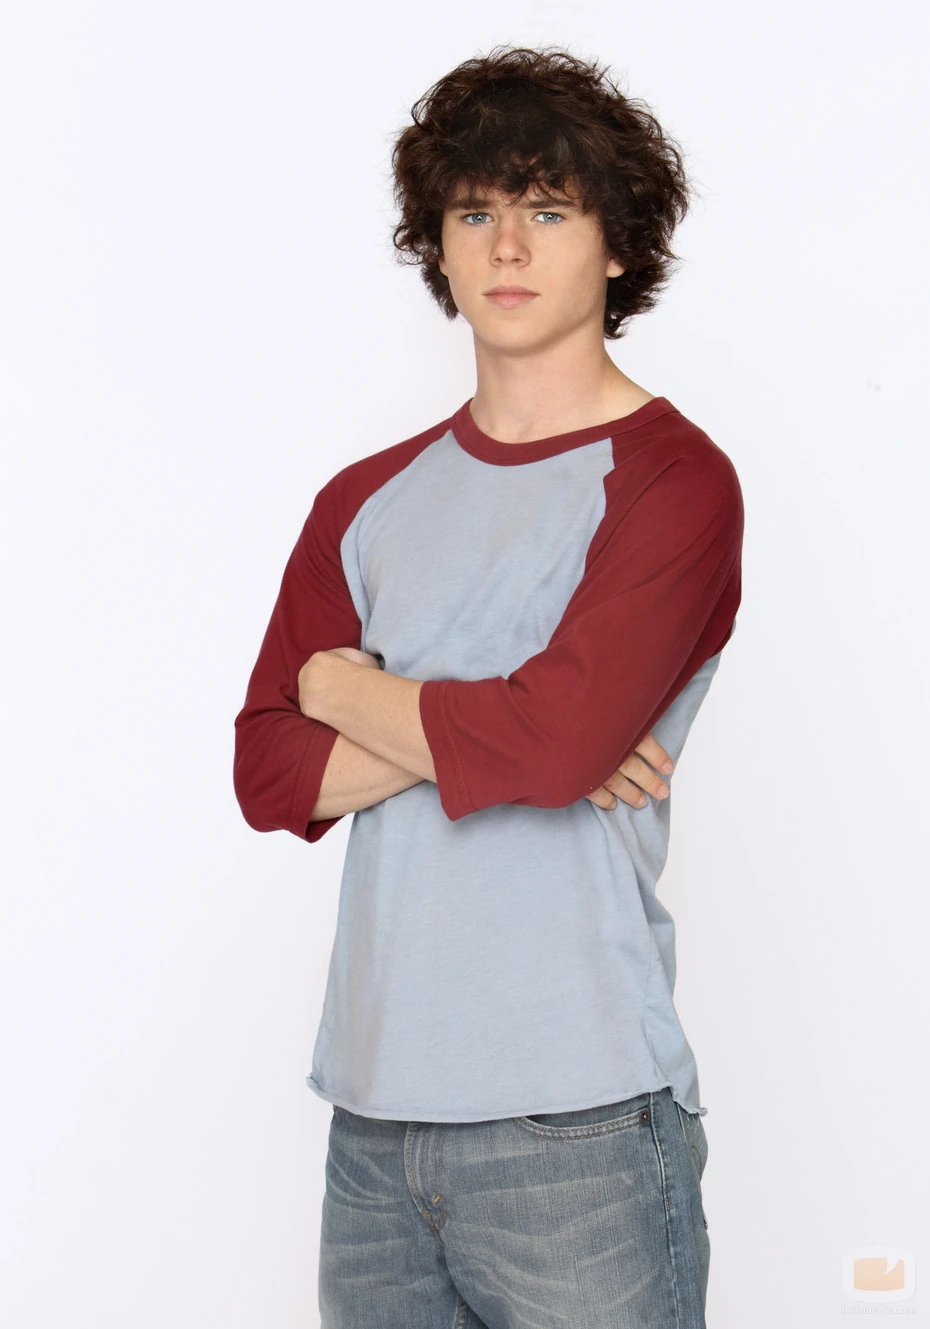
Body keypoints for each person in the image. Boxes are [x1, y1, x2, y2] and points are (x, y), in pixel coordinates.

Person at [233, 42, 744, 1329]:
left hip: (578, 1122)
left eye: (549, 211)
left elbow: (556, 744)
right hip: (373, 1123)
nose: (508, 246)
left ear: (617, 245)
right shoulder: (365, 500)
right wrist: (513, 720)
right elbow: (266, 773)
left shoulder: (675, 480)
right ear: (439, 246)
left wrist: (344, 687)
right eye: (475, 213)